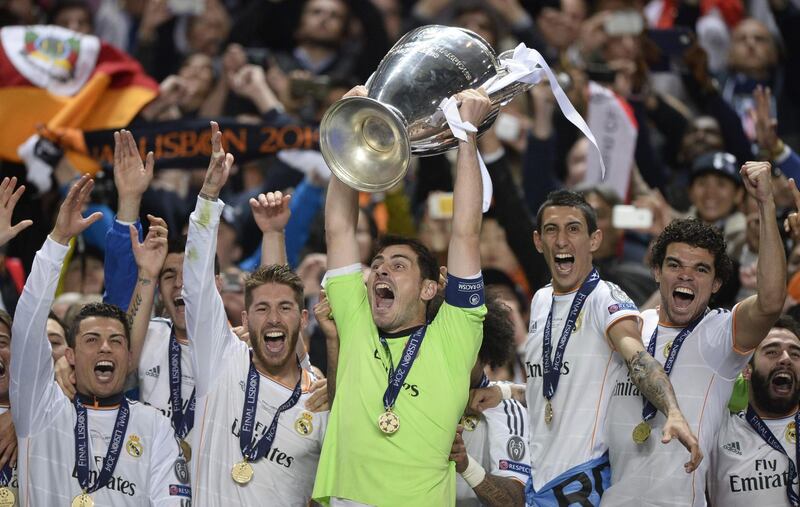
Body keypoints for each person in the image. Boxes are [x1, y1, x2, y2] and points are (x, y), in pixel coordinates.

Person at [312, 86, 491, 506]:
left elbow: (465, 232)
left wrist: (467, 136)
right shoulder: (356, 321)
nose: (381, 270)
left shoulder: (454, 334)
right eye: (377, 263)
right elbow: (338, 229)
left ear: (430, 289)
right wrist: (349, 132)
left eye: (398, 265)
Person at [470, 189, 700, 506]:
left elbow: (638, 357)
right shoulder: (540, 300)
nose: (562, 240)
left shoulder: (605, 298)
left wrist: (672, 410)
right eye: (552, 229)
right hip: (538, 478)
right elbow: (556, 385)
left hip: (581, 482)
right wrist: (508, 392)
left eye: (573, 228)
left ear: (594, 240)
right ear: (539, 241)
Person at [602, 161, 787, 505]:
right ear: (656, 272)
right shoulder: (631, 327)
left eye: (700, 269)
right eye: (675, 265)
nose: (686, 276)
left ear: (716, 284)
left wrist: (765, 204)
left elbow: (772, 300)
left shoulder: (720, 335)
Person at [10, 174, 189, 505]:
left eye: (117, 341)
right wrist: (58, 240)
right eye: (92, 340)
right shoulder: (40, 408)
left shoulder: (155, 426)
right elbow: (28, 324)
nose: (106, 347)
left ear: (129, 356)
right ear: (70, 355)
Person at [184, 122, 328, 505]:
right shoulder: (221, 360)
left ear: (302, 319)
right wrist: (209, 196)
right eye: (261, 309)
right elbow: (196, 287)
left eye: (285, 309)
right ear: (245, 322)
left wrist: (274, 235)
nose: (274, 319)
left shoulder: (322, 399)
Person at [709, 316, 800, 506]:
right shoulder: (717, 431)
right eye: (772, 352)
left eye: (795, 354)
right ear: (746, 370)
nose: (785, 359)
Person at [448, 295, 529, 506]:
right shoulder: (412, 398)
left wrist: (466, 466)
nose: (453, 358)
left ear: (485, 355)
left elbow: (514, 501)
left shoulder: (505, 410)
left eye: (465, 349)